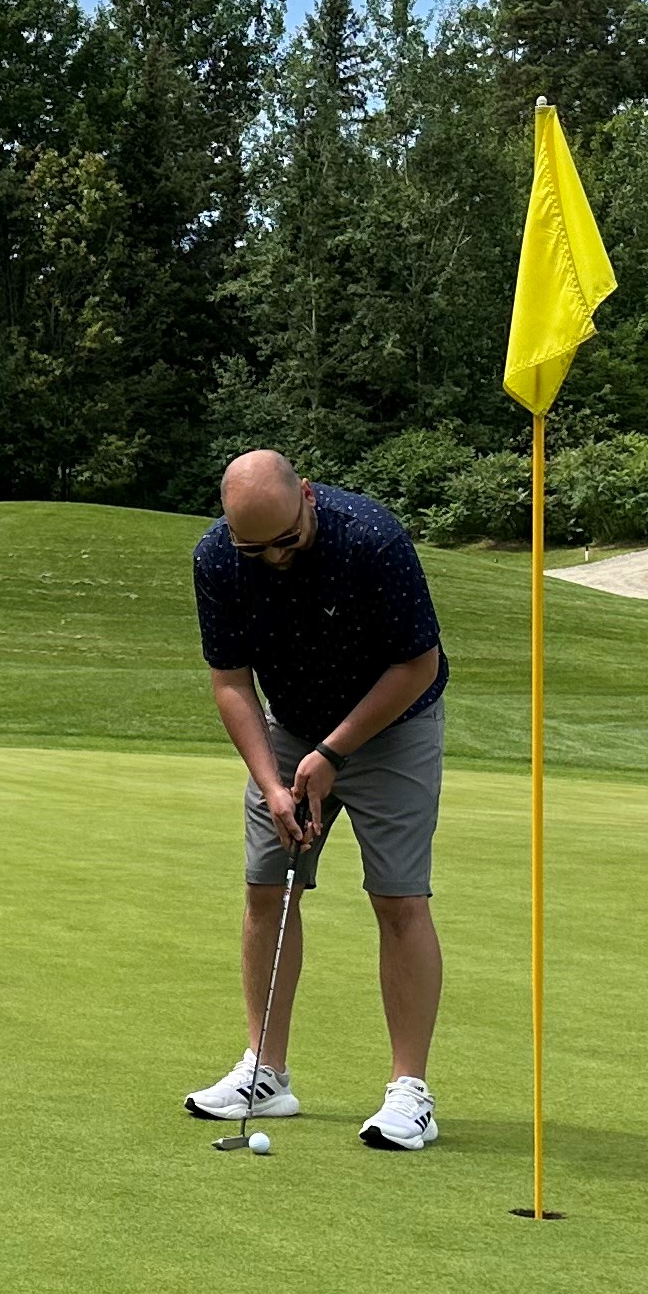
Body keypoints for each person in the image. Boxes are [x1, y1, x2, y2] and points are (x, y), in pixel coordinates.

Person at [184, 448, 449, 1151]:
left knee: (398, 898)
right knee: (267, 890)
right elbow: (232, 682)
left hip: (393, 723)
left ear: (307, 495)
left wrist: (332, 754)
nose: (272, 558)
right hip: (290, 726)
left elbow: (418, 662)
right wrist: (274, 783)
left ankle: (409, 1093)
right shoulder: (216, 558)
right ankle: (266, 1071)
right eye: (254, 548)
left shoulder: (371, 539)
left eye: (287, 541)